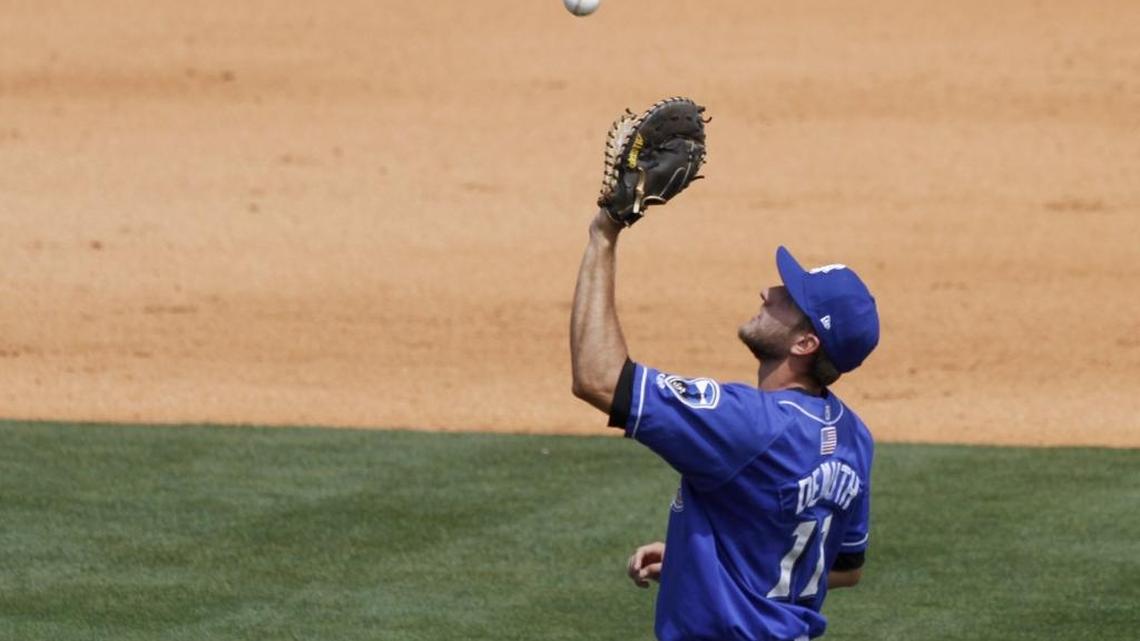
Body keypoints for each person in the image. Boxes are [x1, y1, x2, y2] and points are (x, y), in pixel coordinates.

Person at [569, 207, 880, 641]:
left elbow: (599, 379)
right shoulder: (853, 435)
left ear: (805, 343)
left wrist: (604, 235)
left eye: (789, 298)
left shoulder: (748, 423)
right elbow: (844, 567)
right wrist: (702, 566)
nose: (767, 292)